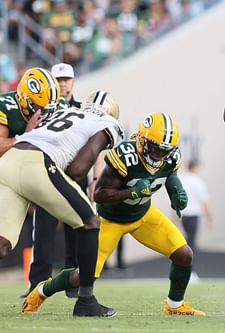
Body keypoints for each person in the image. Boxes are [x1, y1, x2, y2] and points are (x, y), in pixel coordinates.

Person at [22, 112, 206, 316]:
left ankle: (174, 305)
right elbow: (99, 195)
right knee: (85, 275)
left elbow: (169, 174)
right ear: (142, 140)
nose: (158, 156)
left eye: (164, 151)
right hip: (110, 220)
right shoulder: (125, 156)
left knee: (184, 254)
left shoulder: (170, 157)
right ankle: (42, 290)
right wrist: (132, 192)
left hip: (143, 215)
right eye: (154, 148)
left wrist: (176, 192)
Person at [2, 89, 124, 317]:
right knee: (89, 221)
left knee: (2, 243)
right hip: (37, 163)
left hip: (10, 159)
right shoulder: (108, 123)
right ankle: (86, 301)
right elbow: (78, 167)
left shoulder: (66, 111)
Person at [24, 63, 84, 299]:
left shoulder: (84, 108)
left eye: (66, 79)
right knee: (43, 230)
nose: (62, 83)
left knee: (78, 228)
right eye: (58, 80)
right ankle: (37, 285)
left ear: (73, 82)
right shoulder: (43, 108)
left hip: (76, 172)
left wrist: (96, 177)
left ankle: (73, 282)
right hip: (49, 171)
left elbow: (94, 147)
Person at [180, 159, 213, 281]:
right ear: (195, 167)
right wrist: (209, 217)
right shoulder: (198, 181)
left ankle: (182, 269)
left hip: (183, 215)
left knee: (185, 241)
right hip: (193, 215)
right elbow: (204, 201)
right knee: (192, 243)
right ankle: (190, 271)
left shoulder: (182, 180)